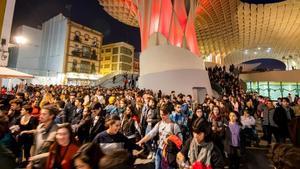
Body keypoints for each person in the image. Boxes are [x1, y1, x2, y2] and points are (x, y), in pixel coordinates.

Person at [28, 104, 59, 169]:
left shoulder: (57, 131)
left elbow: (56, 152)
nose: (40, 116)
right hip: (35, 165)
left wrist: (37, 157)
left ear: (51, 116)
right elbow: (35, 145)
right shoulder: (39, 127)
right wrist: (31, 162)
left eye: (44, 114)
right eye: (41, 114)